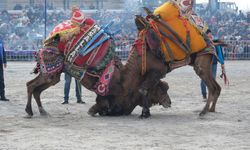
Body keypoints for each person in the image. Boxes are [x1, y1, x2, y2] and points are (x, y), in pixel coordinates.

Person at [200, 29, 225, 100]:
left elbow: (219, 53)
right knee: (204, 79)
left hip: (214, 63)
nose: (210, 35)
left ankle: (211, 94)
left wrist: (222, 63)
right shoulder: (202, 43)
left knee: (213, 79)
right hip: (204, 64)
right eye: (209, 34)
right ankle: (204, 95)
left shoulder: (215, 42)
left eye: (211, 34)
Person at [0, 36, 9, 101]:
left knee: (1, 80)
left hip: (0, 62)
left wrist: (5, 61)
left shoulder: (0, 40)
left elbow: (3, 51)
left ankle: (2, 96)